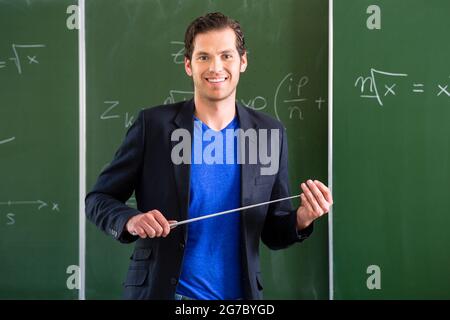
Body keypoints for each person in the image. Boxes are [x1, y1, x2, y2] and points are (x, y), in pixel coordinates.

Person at [85, 12, 333, 300]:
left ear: (243, 61)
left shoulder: (269, 133)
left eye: (226, 55)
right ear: (188, 65)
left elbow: (272, 231)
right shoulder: (153, 127)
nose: (216, 67)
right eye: (203, 57)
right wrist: (131, 221)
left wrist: (302, 218)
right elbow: (97, 200)